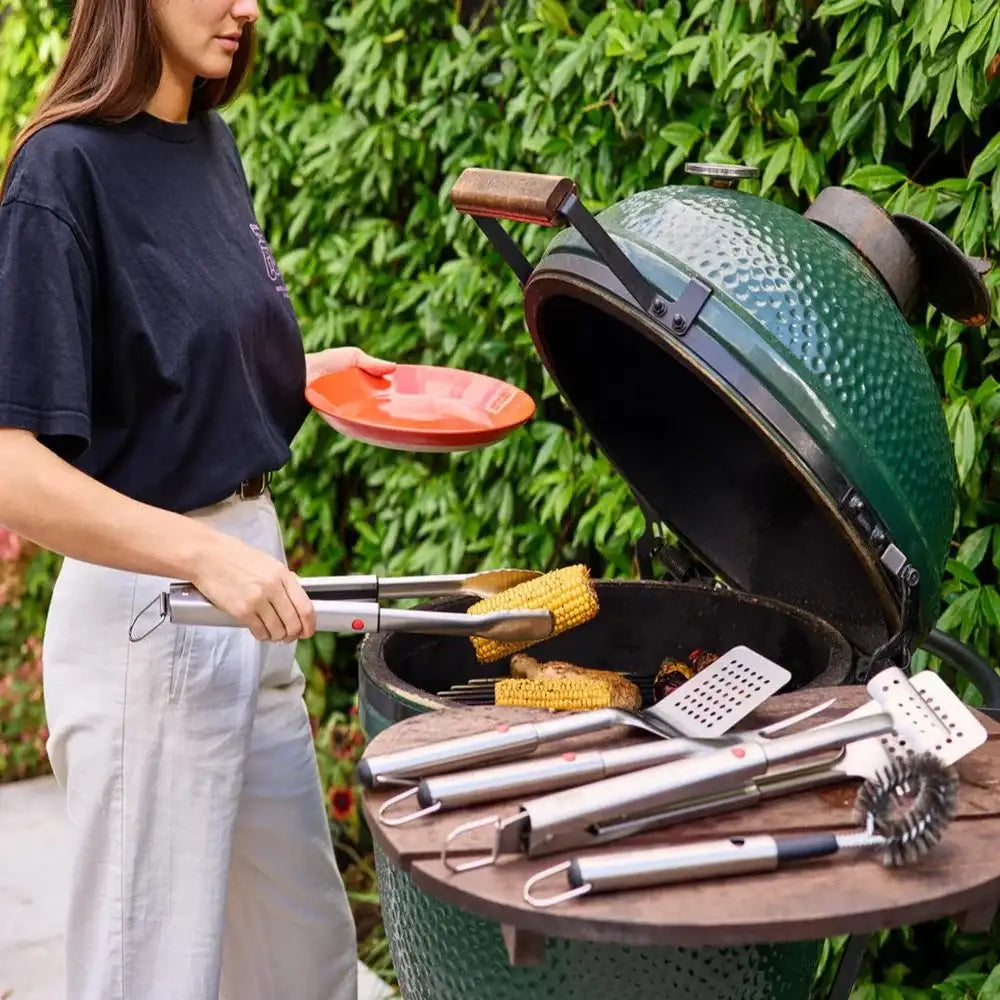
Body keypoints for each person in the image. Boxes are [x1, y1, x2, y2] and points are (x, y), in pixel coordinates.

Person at [0, 2, 391, 997]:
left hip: (248, 603)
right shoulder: (62, 173)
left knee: (305, 965)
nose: (249, 7)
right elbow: (15, 466)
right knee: (149, 977)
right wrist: (197, 554)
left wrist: (306, 373)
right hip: (152, 622)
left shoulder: (208, 142)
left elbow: (177, 375)